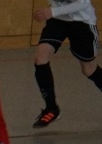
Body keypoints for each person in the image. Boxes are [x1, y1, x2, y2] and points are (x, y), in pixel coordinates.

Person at [31, 0, 102, 128]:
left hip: (82, 22)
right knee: (40, 59)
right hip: (58, 20)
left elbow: (83, 3)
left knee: (88, 69)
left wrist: (52, 12)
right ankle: (52, 108)